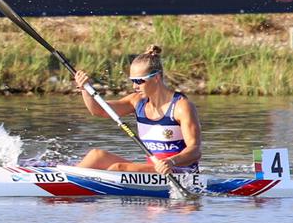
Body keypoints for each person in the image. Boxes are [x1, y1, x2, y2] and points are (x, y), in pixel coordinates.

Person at [72, 45, 201, 176]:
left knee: (118, 168)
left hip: (180, 172)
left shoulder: (181, 107)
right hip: (154, 170)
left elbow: (195, 151)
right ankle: (64, 180)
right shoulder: (137, 101)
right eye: (132, 81)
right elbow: (99, 110)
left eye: (139, 81)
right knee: (96, 155)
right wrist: (85, 89)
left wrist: (170, 162)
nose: (135, 86)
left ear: (156, 77)